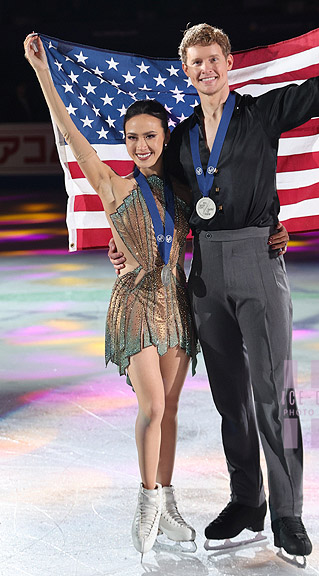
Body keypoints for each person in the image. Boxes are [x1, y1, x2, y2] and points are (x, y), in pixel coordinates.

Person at [109, 0, 319, 560]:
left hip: (257, 262)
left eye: (213, 59)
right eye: (195, 62)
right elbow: (148, 197)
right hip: (204, 275)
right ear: (187, 71)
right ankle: (246, 498)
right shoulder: (178, 141)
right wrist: (120, 243)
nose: (205, 69)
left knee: (276, 396)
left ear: (229, 63)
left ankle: (288, 512)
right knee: (230, 399)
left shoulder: (261, 114)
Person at [23, 33, 200, 558]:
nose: (141, 146)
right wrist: (41, 72)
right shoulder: (113, 186)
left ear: (166, 137)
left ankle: (167, 501)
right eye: (132, 138)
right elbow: (71, 132)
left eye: (149, 136)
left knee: (169, 409)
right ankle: (146, 504)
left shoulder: (186, 189)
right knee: (150, 405)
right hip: (136, 305)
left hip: (176, 303)